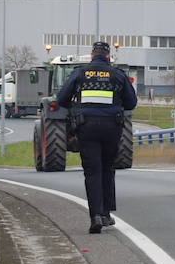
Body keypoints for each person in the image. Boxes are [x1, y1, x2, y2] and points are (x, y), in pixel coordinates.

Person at [55, 41, 137, 233]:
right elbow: (131, 103)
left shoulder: (80, 73)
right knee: (108, 168)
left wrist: (76, 107)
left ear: (92, 55)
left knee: (92, 171)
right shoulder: (117, 74)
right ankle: (107, 213)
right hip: (112, 127)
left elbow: (61, 99)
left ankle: (96, 217)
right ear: (108, 56)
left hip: (86, 127)